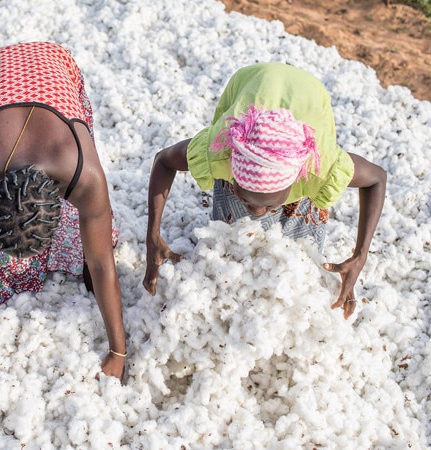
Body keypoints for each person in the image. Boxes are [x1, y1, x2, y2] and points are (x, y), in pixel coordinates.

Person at [144, 62, 386, 319]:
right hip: (251, 81)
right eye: (248, 200)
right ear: (233, 176)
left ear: (296, 181)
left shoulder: (322, 167)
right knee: (229, 246)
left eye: (270, 205)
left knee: (300, 258)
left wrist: (360, 256)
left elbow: (377, 178)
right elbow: (163, 160)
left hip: (309, 93)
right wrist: (152, 236)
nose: (259, 212)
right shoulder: (219, 149)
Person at [0, 42, 126, 380]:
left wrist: (118, 349)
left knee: (97, 241)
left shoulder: (84, 173)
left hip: (56, 66)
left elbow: (101, 261)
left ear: (60, 202)